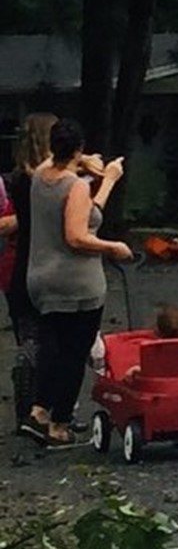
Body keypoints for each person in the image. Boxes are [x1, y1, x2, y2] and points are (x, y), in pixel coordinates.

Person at [22, 119, 132, 446]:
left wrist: (84, 161)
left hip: (40, 277)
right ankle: (59, 423)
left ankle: (39, 411)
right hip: (75, 281)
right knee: (74, 352)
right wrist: (108, 180)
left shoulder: (40, 176)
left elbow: (58, 164)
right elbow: (77, 234)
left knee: (51, 347)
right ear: (78, 148)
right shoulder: (76, 186)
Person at [6, 113, 55, 424]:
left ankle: (29, 401)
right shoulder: (49, 182)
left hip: (20, 266)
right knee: (52, 339)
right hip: (43, 265)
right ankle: (44, 404)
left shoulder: (16, 180)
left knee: (29, 336)